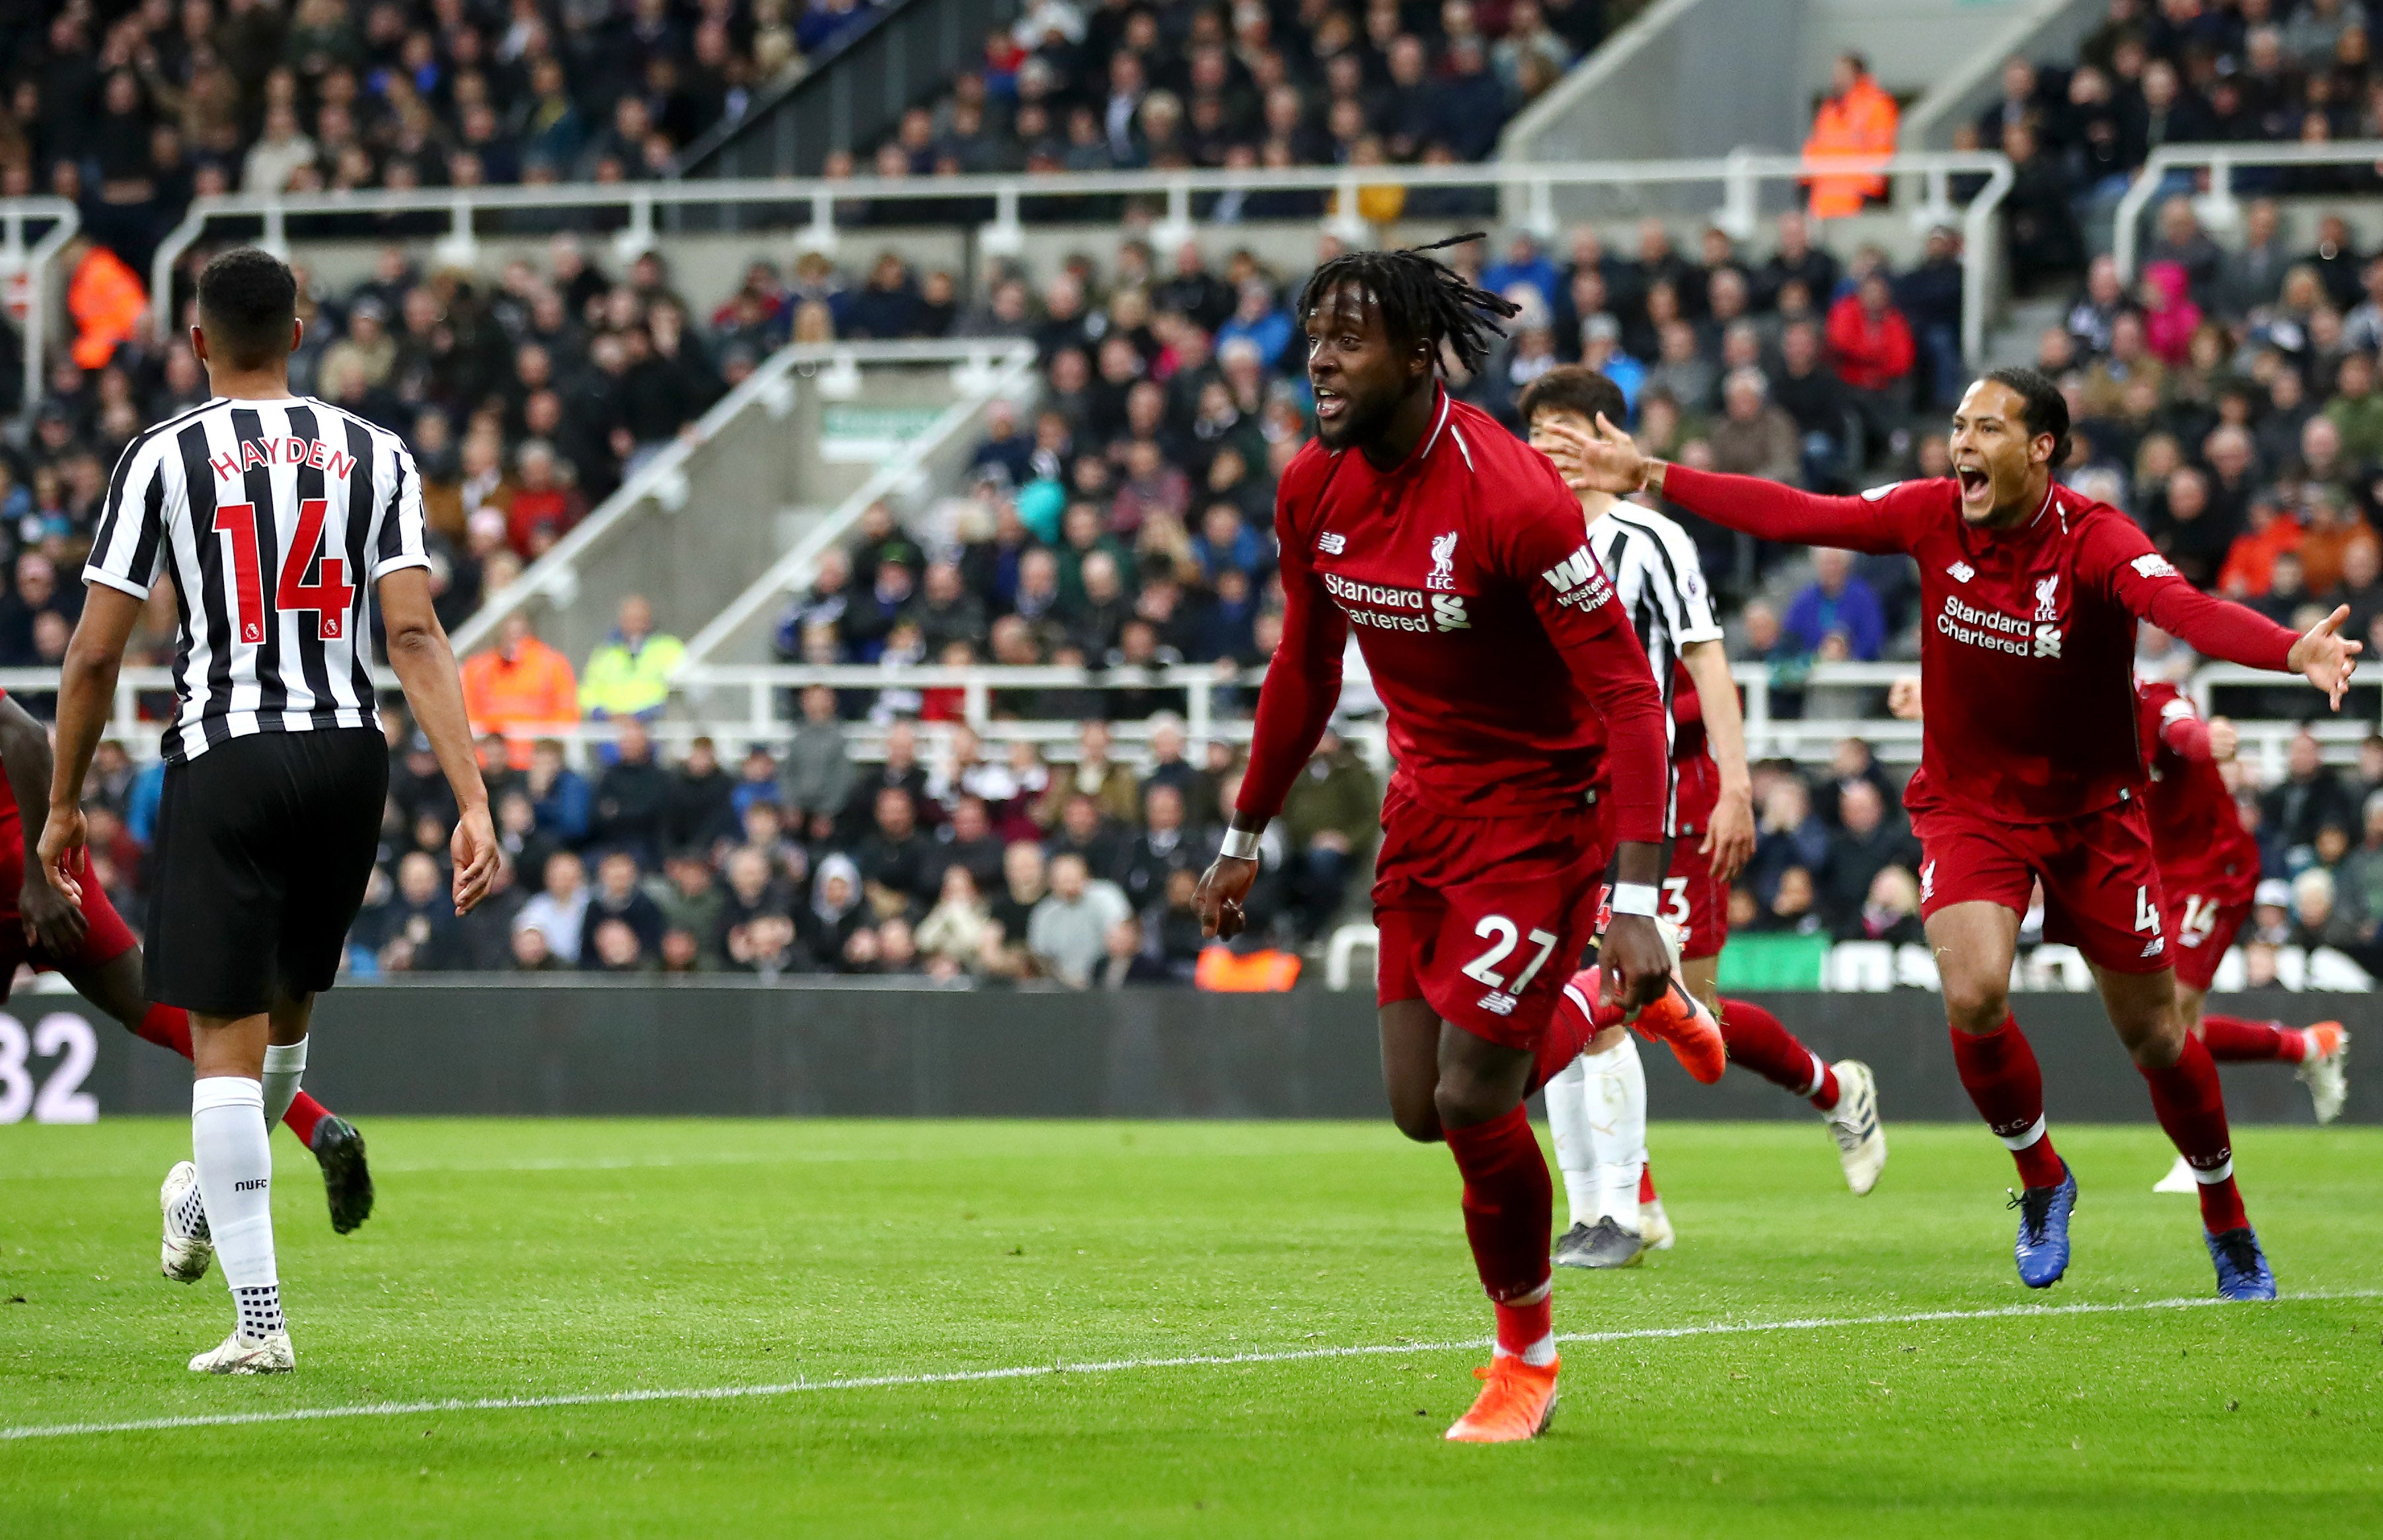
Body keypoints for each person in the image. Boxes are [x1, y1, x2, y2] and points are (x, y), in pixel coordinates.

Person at [1550, 364, 2364, 1302]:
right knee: (1973, 993)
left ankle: (2225, 1214)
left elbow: (2186, 609)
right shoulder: (1931, 513)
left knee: (2155, 1036)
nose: (1962, 444)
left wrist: (2290, 648)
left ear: (2041, 447)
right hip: (1970, 808)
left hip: (2093, 820)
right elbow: (1798, 514)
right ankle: (2041, 1177)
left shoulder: (2096, 540)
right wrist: (1651, 471)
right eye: (1958, 426)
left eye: (1986, 428)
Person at [1192, 236, 1681, 1444]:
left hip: (1541, 818)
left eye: (1347, 339)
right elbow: (1304, 668)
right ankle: (1608, 1003)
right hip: (1422, 810)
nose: (1319, 361)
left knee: (1472, 1098)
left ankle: (1525, 1360)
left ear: (1418, 354)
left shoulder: (1512, 497)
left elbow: (1630, 697)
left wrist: (1634, 899)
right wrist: (1245, 829)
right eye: (1314, 337)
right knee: (1421, 1106)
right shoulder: (1312, 486)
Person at [45, 247, 498, 1375]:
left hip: (229, 752)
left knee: (223, 1042)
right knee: (286, 1026)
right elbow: (412, 634)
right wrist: (474, 798)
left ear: (198, 341)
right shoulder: (376, 452)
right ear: (297, 334)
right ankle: (204, 1197)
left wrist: (62, 804)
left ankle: (259, 1323)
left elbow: (94, 655)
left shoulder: (162, 455)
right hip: (348, 756)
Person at [1524, 367, 1886, 1274]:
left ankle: (1834, 1089)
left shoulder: (1652, 542)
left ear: (1605, 434)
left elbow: (1709, 665)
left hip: (1661, 801)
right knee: (1588, 999)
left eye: (1563, 429)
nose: (1547, 448)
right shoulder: (1518, 536)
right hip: (1560, 802)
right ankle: (1620, 1205)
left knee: (1680, 1012)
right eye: (1535, 432)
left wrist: (1734, 787)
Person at [1895, 669, 2353, 1163]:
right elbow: (2010, 730)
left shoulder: (2152, 698)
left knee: (2174, 1012)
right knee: (2165, 1024)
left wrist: (2206, 739)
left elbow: (2182, 729)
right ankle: (2307, 1046)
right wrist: (1935, 704)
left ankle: (2199, 1159)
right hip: (2150, 868)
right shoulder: (2068, 709)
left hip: (2211, 869)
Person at [0, 690, 376, 1229]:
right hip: (45, 861)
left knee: (186, 1013)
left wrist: (37, 879)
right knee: (162, 1010)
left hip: (32, 867)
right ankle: (317, 1126)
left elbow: (26, 733)